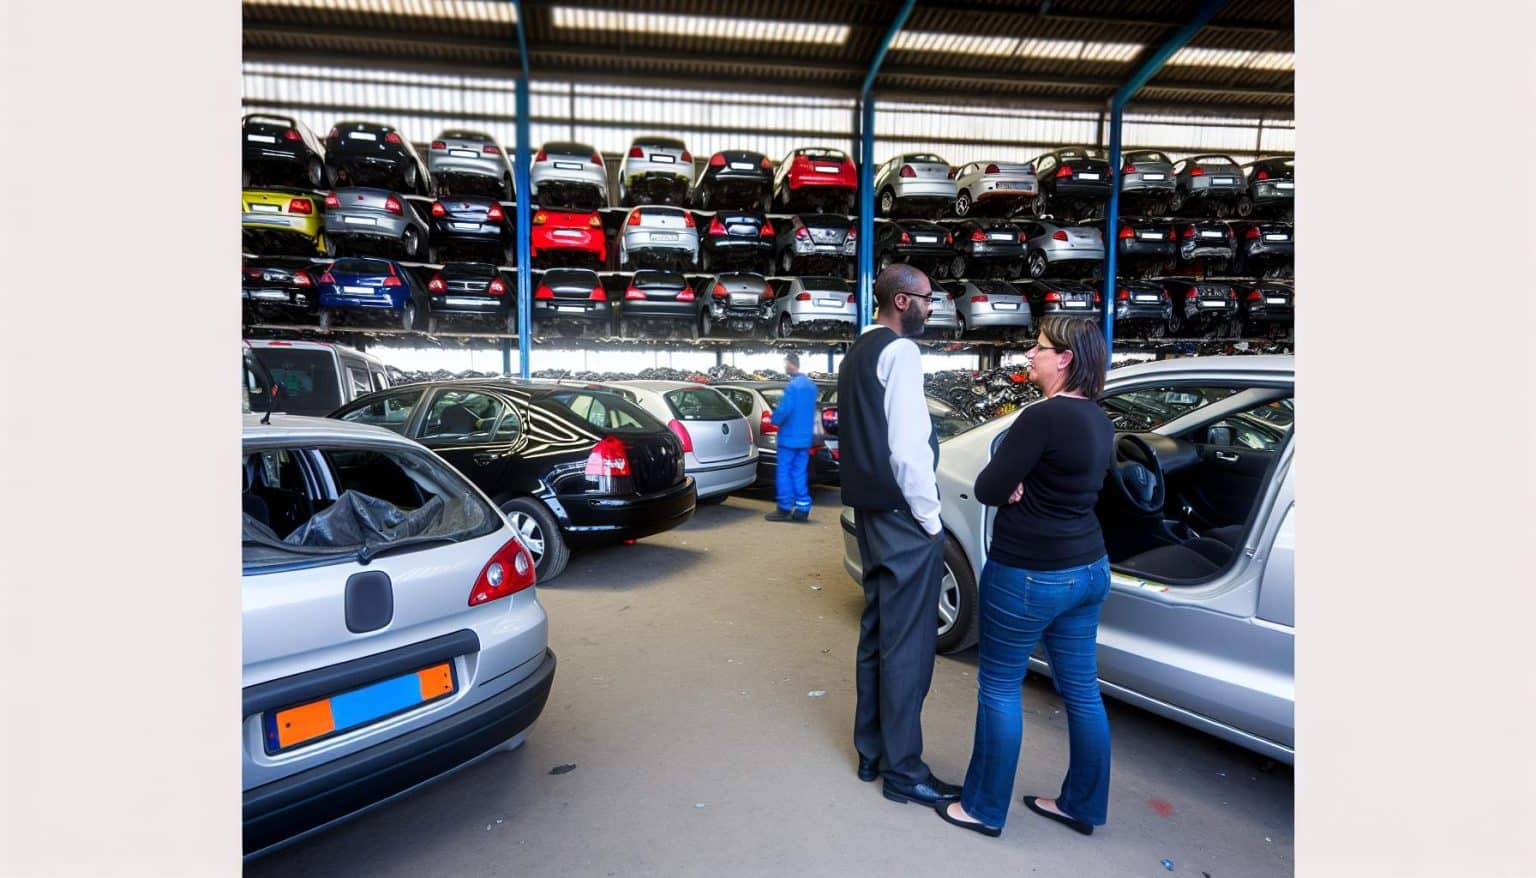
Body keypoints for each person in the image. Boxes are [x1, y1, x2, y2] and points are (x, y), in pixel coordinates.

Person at [934, 315, 1116, 838]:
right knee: (1082, 691)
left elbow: (990, 486)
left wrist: (1016, 483)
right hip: (1088, 569)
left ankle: (983, 809)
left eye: (1039, 348)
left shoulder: (1040, 417)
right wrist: (1019, 480)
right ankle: (1081, 805)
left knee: (998, 687)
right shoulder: (1099, 420)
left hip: (1031, 573)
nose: (1029, 355)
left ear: (1065, 358)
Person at [838, 263, 960, 807]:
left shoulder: (858, 351)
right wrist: (931, 522)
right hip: (902, 518)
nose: (934, 307)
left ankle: (871, 753)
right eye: (929, 298)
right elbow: (908, 448)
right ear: (902, 302)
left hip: (867, 513)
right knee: (909, 647)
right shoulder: (902, 353)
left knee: (876, 633)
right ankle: (904, 771)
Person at [764, 352, 816, 523]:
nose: (784, 367)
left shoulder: (793, 387)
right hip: (804, 439)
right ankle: (803, 508)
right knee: (799, 472)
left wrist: (774, 419)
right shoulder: (810, 386)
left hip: (789, 438)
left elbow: (784, 411)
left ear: (791, 364)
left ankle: (784, 508)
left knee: (784, 472)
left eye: (785, 363)